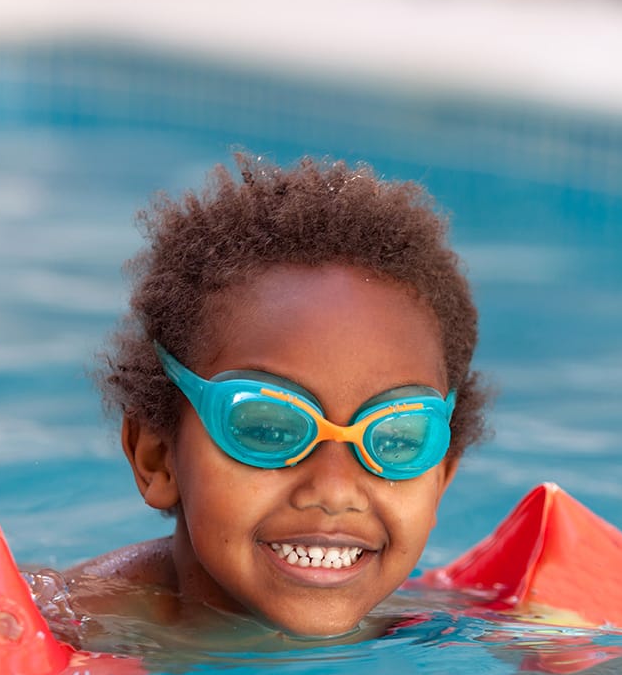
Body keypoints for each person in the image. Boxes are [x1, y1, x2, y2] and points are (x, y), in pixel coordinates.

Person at [63, 153, 489, 643]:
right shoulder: (62, 633)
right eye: (267, 428)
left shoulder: (459, 633)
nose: (334, 490)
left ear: (441, 478)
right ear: (156, 458)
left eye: (396, 440)